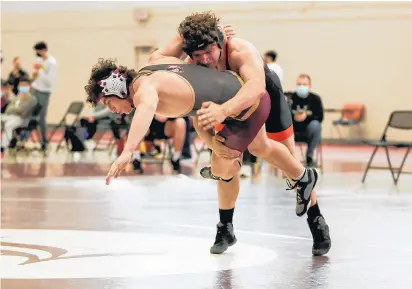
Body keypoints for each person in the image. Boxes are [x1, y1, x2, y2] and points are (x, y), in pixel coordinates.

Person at [84, 55, 318, 247]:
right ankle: (302, 175)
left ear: (116, 88)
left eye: (108, 103)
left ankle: (231, 181)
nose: (113, 110)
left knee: (222, 165)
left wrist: (128, 151)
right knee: (258, 147)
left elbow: (145, 109)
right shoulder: (153, 63)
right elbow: (195, 105)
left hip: (244, 106)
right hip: (234, 102)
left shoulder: (144, 87)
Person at [150, 11, 331, 256]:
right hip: (229, 106)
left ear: (220, 40)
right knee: (227, 160)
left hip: (266, 98)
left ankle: (316, 219)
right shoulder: (194, 64)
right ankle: (225, 226)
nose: (206, 60)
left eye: (209, 51)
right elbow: (158, 64)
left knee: (283, 160)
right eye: (198, 55)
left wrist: (223, 111)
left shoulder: (239, 51)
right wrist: (213, 145)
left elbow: (256, 87)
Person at [288, 74, 324, 166]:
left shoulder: (315, 99)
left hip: (308, 131)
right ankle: (287, 158)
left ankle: (309, 157)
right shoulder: (290, 98)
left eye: (304, 85)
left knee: (316, 125)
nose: (301, 87)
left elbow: (320, 117)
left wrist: (306, 117)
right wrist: (293, 116)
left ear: (309, 86)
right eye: (299, 84)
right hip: (292, 131)